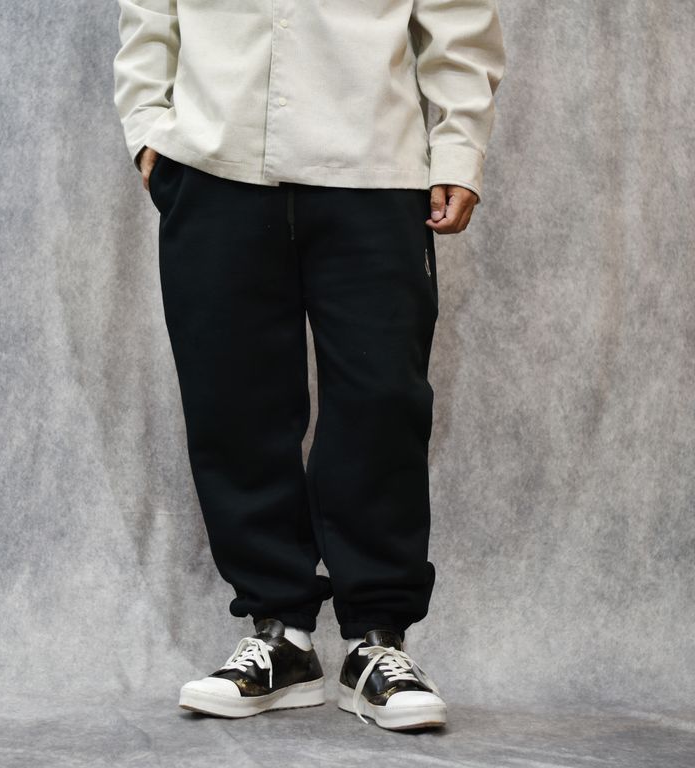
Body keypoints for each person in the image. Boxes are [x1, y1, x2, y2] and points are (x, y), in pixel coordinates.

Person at [113, 0, 505, 731]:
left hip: (374, 163)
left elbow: (458, 21)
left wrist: (458, 150)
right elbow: (148, 13)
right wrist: (148, 130)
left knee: (382, 402)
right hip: (214, 162)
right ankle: (280, 635)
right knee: (232, 405)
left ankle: (377, 640)